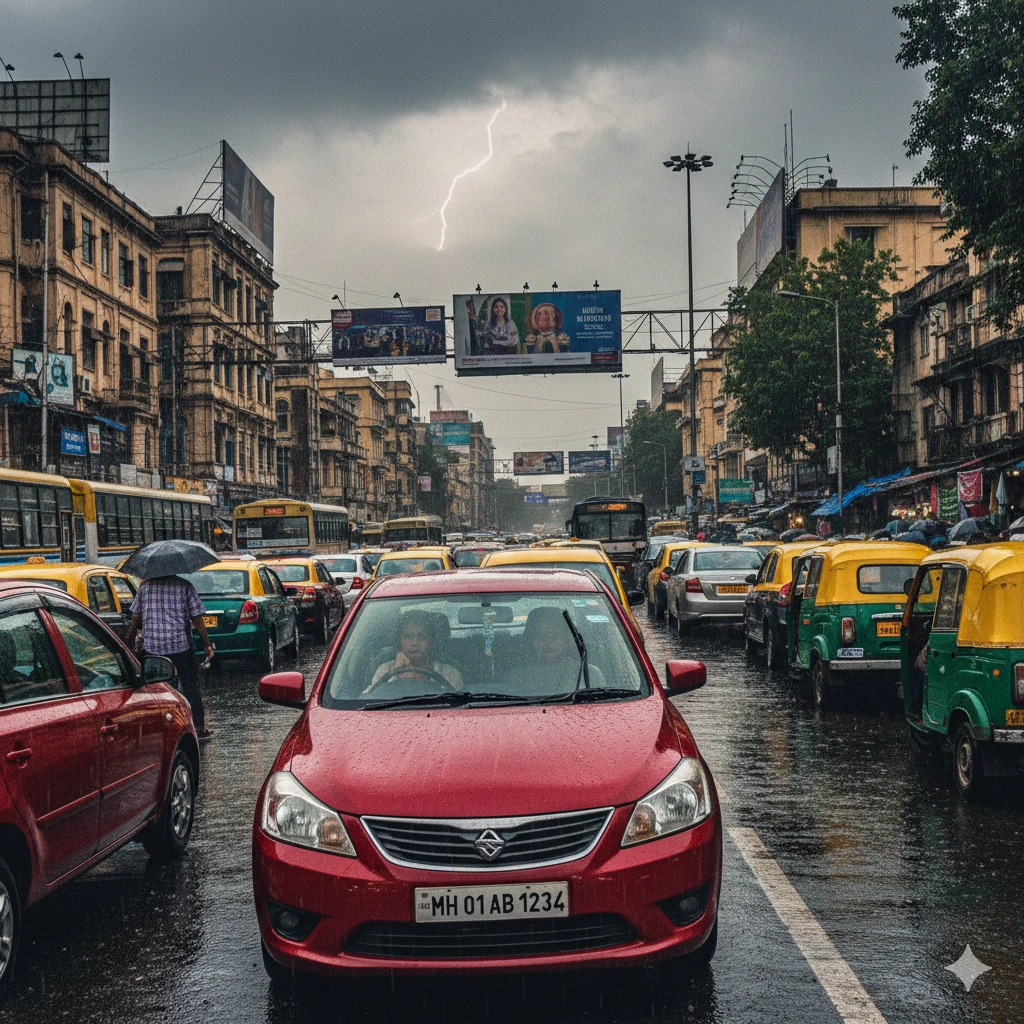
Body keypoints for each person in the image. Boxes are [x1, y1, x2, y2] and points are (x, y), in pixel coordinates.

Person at [126, 575, 216, 739]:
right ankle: (199, 728)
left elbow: (136, 617)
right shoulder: (184, 586)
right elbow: (196, 618)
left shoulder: (145, 587)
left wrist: (129, 641)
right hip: (180, 646)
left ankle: (156, 731)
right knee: (191, 687)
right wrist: (206, 643)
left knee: (153, 690)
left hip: (153, 648)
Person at [504, 607, 606, 696]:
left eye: (554, 636)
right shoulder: (517, 677)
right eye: (541, 636)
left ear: (567, 638)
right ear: (532, 640)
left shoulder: (589, 674)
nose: (548, 643)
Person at [365, 611, 463, 694]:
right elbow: (369, 699)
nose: (415, 643)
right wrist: (396, 674)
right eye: (408, 637)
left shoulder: (450, 674)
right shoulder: (384, 670)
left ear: (431, 641)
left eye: (422, 637)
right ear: (399, 641)